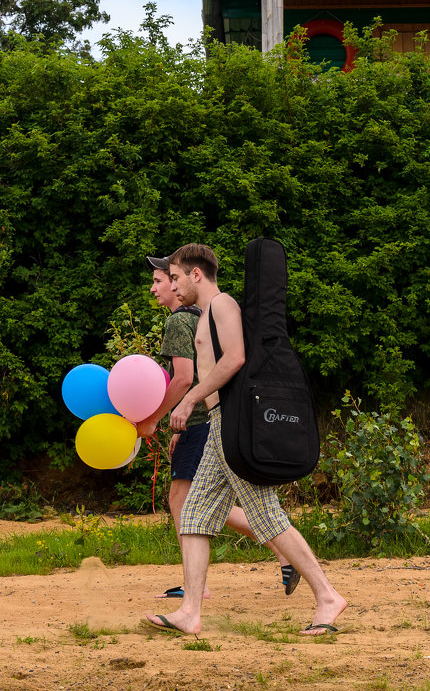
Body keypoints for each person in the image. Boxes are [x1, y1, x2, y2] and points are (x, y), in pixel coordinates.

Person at [142, 244, 346, 637]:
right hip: (219, 424)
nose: (172, 284)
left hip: (231, 424)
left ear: (196, 275)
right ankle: (190, 612)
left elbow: (234, 358)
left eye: (177, 277)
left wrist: (190, 399)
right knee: (195, 517)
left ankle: (327, 595)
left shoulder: (221, 306)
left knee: (265, 515)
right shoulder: (204, 314)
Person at [136, 255, 298, 599]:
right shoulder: (201, 314)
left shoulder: (186, 318)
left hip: (208, 421)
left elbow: (185, 378)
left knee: (196, 502)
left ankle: (305, 574)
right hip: (206, 420)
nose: (158, 287)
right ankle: (194, 598)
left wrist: (163, 418)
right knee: (202, 507)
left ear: (188, 277)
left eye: (165, 279)